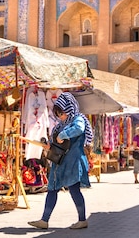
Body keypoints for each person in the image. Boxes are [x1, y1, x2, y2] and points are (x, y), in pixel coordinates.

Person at [28, 92, 94, 230]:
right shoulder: (60, 125)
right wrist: (49, 145)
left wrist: (64, 134)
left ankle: (82, 220)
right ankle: (44, 220)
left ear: (69, 108)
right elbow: (58, 143)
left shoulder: (78, 119)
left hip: (73, 162)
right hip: (60, 163)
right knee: (52, 189)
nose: (59, 116)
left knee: (74, 190)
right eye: (58, 114)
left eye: (61, 113)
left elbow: (79, 129)